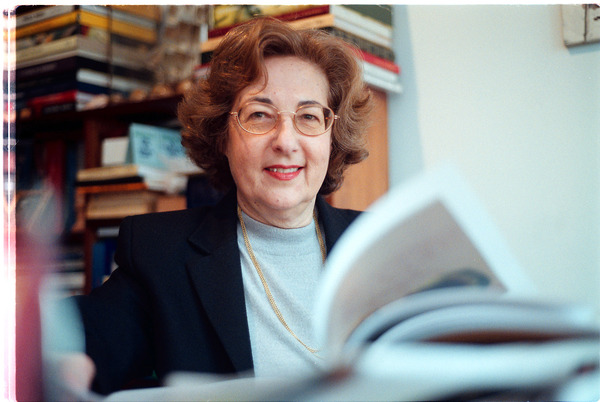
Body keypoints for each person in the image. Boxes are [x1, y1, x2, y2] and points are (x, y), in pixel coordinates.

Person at [67, 17, 373, 395]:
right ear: (223, 136)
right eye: (259, 115)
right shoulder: (161, 255)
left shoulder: (381, 244)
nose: (285, 141)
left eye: (309, 116)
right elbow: (80, 337)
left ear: (332, 137)